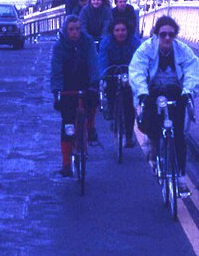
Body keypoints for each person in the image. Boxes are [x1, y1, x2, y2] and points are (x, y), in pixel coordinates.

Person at [129, 15, 199, 195]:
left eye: (171, 34)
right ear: (157, 35)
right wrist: (142, 93)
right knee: (149, 126)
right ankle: (153, 142)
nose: (167, 38)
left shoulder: (182, 50)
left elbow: (193, 70)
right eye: (163, 35)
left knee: (179, 135)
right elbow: (137, 71)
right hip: (152, 91)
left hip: (175, 91)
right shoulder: (146, 49)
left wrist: (188, 92)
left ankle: (181, 177)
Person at [51, 15, 100, 177]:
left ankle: (90, 125)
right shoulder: (59, 47)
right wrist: (57, 91)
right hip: (67, 86)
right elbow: (56, 70)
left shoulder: (88, 42)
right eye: (71, 29)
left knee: (93, 101)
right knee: (67, 124)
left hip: (85, 82)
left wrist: (94, 82)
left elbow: (93, 63)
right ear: (66, 30)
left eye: (78, 29)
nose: (75, 32)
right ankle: (66, 163)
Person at [98, 19, 141, 148]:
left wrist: (137, 74)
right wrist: (103, 74)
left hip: (129, 71)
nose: (120, 33)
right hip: (112, 70)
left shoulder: (134, 42)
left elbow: (139, 60)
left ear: (128, 31)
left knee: (129, 104)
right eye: (117, 30)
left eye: (123, 30)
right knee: (110, 89)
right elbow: (102, 59)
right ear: (112, 31)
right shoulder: (106, 42)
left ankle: (128, 135)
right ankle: (112, 112)